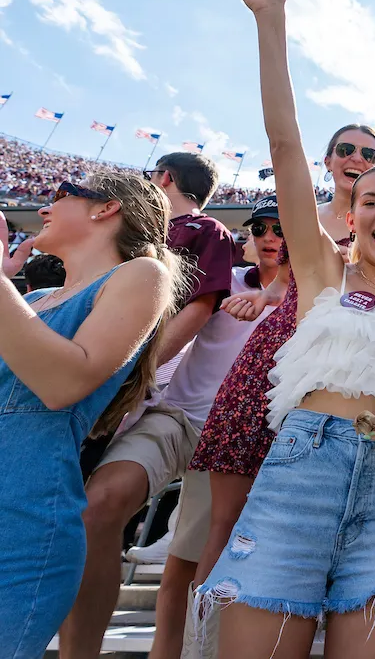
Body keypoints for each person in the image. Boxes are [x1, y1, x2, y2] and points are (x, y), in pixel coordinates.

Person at [194, 0, 375, 657]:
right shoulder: (321, 272)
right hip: (301, 474)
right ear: (352, 211)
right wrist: (271, 23)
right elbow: (284, 145)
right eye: (369, 198)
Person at [186, 121, 375, 594]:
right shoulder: (303, 213)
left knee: (309, 511)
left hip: (338, 366)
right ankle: (203, 639)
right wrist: (263, 299)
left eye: (369, 154)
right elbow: (281, 284)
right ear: (328, 157)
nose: (356, 158)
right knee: (227, 517)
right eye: (345, 149)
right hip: (274, 354)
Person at [59, 151, 237, 658]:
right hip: (87, 379)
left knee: (100, 507)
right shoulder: (127, 235)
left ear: (164, 178)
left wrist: (128, 371)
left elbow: (199, 306)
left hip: (138, 388)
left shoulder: (204, 230)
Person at [0, 176, 181, 657]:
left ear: (106, 208)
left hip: (20, 519)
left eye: (60, 195)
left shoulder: (143, 274)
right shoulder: (32, 301)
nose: (43, 209)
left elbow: (62, 385)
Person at [146, 196, 284, 659]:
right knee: (186, 559)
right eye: (260, 228)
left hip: (274, 439)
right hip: (209, 431)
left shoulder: (312, 292)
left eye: (280, 229)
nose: (269, 238)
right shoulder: (221, 282)